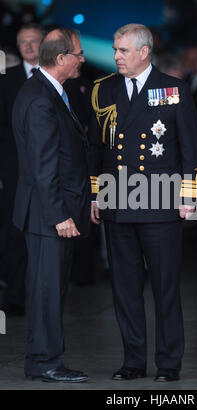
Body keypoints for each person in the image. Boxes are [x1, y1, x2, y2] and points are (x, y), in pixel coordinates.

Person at [89, 23, 197, 382]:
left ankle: (169, 364)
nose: (115, 56)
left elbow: (190, 148)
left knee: (165, 287)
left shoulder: (172, 88)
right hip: (117, 200)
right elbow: (96, 147)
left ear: (144, 52)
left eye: (122, 50)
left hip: (160, 201)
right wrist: (96, 192)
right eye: (114, 49)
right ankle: (133, 361)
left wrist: (190, 197)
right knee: (124, 288)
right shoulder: (104, 90)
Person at [12, 27, 90, 382]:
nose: (82, 59)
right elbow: (44, 167)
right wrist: (60, 215)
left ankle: (42, 358)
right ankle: (44, 362)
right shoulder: (42, 98)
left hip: (50, 212)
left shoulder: (47, 91)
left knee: (51, 289)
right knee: (46, 290)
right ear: (61, 59)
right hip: (49, 215)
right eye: (77, 54)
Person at [0, 23, 44, 317]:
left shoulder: (58, 74)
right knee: (15, 232)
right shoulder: (6, 80)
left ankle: (47, 299)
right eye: (22, 42)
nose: (28, 47)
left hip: (49, 168)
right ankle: (15, 295)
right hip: (14, 169)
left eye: (33, 41)